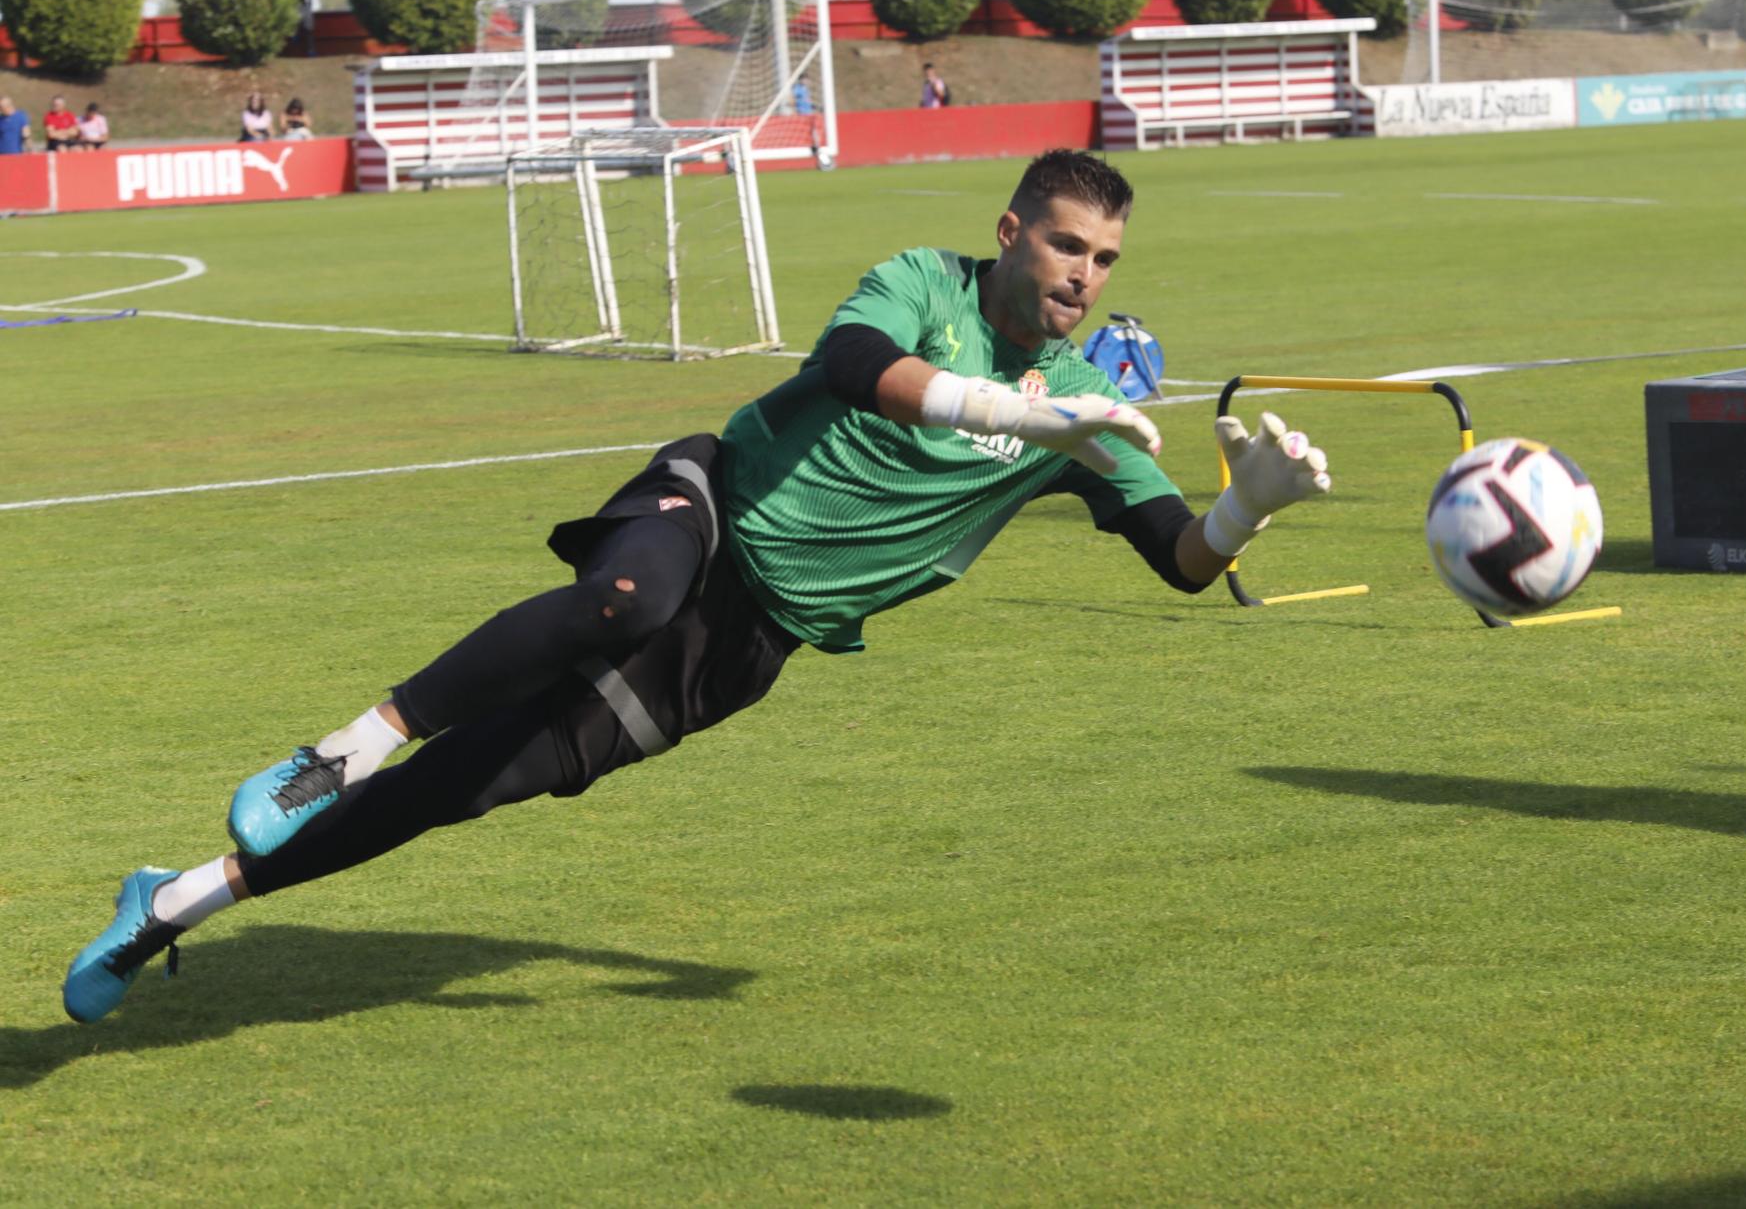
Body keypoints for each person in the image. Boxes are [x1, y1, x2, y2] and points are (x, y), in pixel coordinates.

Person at [59, 150, 1335, 1025]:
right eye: (1066, 242)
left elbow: (1181, 561)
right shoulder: (927, 286)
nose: (1083, 273)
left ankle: (171, 902)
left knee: (470, 785)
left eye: (1105, 258)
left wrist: (1244, 508)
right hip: (711, 505)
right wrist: (1022, 417)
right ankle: (340, 747)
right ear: (1012, 233)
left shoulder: (1091, 414)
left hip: (749, 643)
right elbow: (847, 363)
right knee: (623, 598)